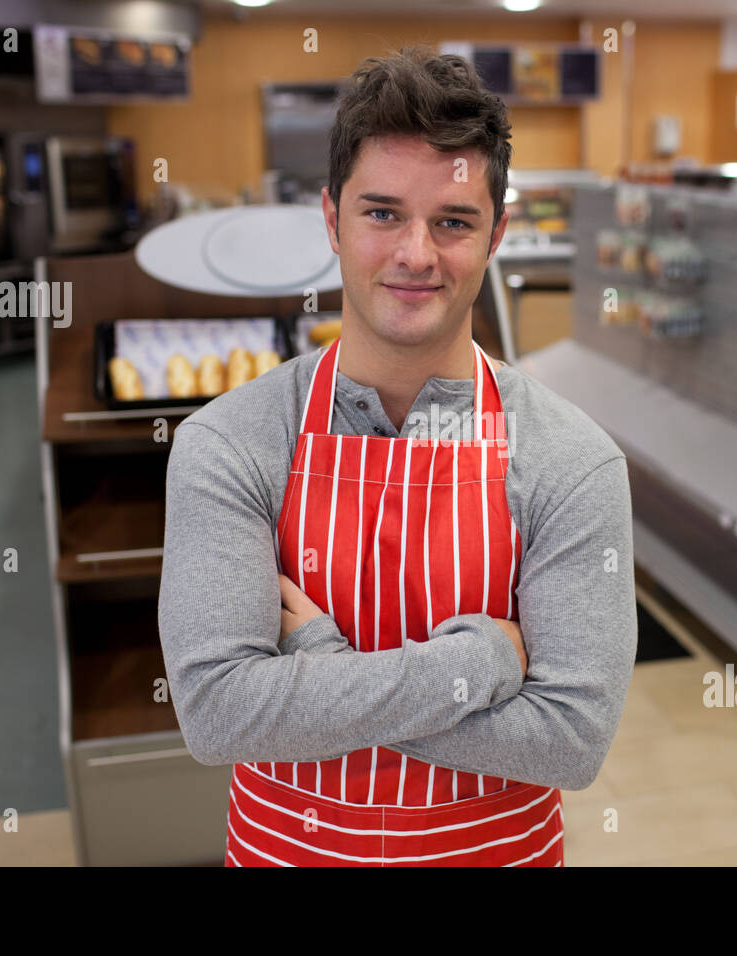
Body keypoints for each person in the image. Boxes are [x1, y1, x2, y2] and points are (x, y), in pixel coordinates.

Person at [158, 44, 636, 867]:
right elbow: (220, 716)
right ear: (331, 218)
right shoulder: (230, 444)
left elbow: (569, 742)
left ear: (497, 234)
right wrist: (482, 661)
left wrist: (319, 672)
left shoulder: (573, 461)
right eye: (382, 213)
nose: (417, 254)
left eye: (452, 221)